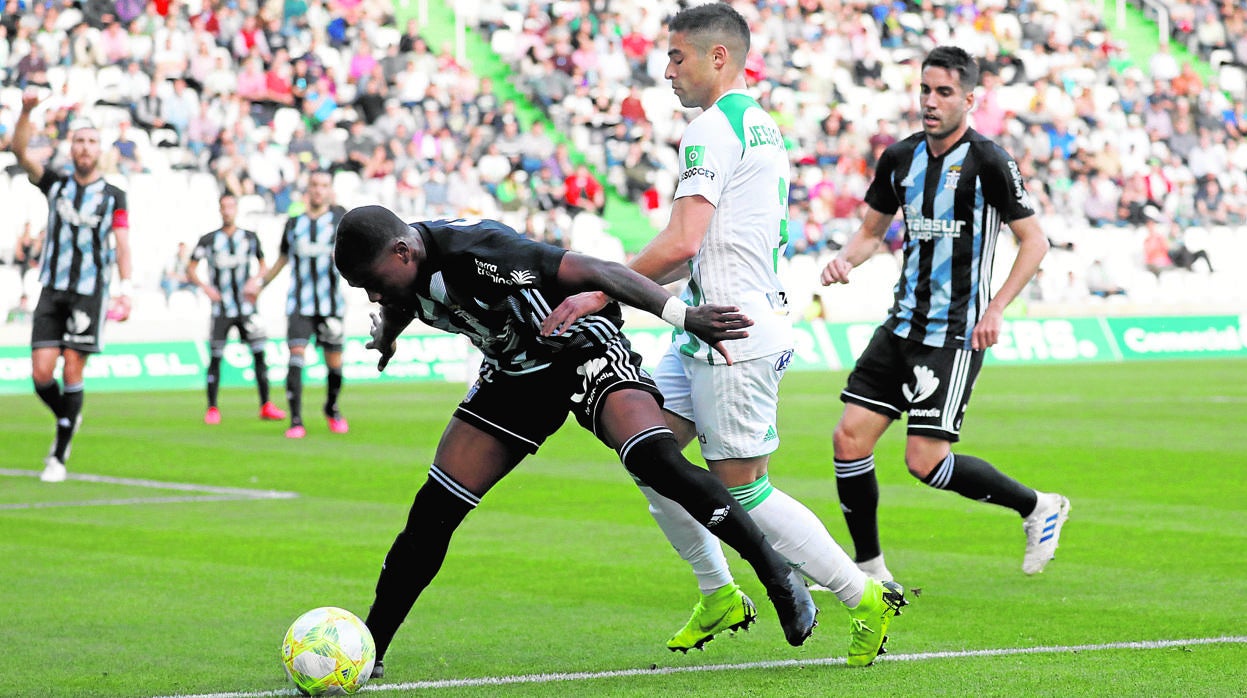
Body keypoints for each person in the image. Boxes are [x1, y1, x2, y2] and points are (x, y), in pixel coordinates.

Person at [540, 3, 907, 667]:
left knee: (741, 491)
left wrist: (600, 288)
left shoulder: (710, 130)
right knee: (649, 457)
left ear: (718, 58)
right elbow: (704, 246)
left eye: (677, 56)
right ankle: (718, 591)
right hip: (708, 327)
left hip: (731, 333)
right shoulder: (758, 123)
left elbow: (682, 242)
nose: (666, 70)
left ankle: (865, 594)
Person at [332, 205, 817, 679]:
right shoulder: (402, 268)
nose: (372, 296)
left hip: (582, 349)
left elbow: (600, 271)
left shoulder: (482, 253)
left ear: (402, 251)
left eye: (372, 283)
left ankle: (777, 577)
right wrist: (389, 335)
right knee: (432, 513)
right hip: (513, 377)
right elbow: (401, 300)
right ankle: (369, 649)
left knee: (656, 461)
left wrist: (685, 317)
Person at [819, 46, 1070, 580]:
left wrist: (997, 307)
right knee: (849, 439)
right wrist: (845, 260)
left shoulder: (990, 161)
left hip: (954, 333)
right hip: (900, 324)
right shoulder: (900, 157)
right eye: (925, 91)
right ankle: (872, 572)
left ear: (969, 99)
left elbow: (1034, 242)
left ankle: (1037, 506)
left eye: (944, 93)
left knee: (923, 461)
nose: (931, 103)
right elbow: (870, 232)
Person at [9, 92, 133, 483]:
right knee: (41, 374)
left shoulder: (114, 195)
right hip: (52, 288)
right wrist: (27, 111)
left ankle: (58, 456)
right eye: (79, 141)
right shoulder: (56, 184)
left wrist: (126, 288)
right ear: (71, 147)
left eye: (91, 142)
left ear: (100, 150)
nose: (84, 148)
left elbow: (123, 242)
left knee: (73, 364)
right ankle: (68, 415)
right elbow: (19, 153)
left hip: (89, 291)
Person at [245, 170, 348, 438]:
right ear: (308, 189)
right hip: (299, 305)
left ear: (329, 190)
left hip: (331, 305)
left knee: (334, 365)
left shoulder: (340, 220)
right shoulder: (293, 224)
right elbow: (282, 260)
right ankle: (296, 420)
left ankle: (332, 408)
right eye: (314, 185)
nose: (318, 190)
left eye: (324, 185)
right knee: (295, 359)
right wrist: (260, 285)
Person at [185, 192, 287, 425]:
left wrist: (256, 281)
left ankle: (266, 404)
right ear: (219, 210)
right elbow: (191, 268)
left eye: (231, 206)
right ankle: (212, 408)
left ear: (236, 209)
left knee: (259, 354)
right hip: (221, 308)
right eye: (224, 206)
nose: (228, 210)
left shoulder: (249, 238)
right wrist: (205, 287)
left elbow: (263, 266)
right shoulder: (208, 240)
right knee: (216, 357)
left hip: (246, 308)